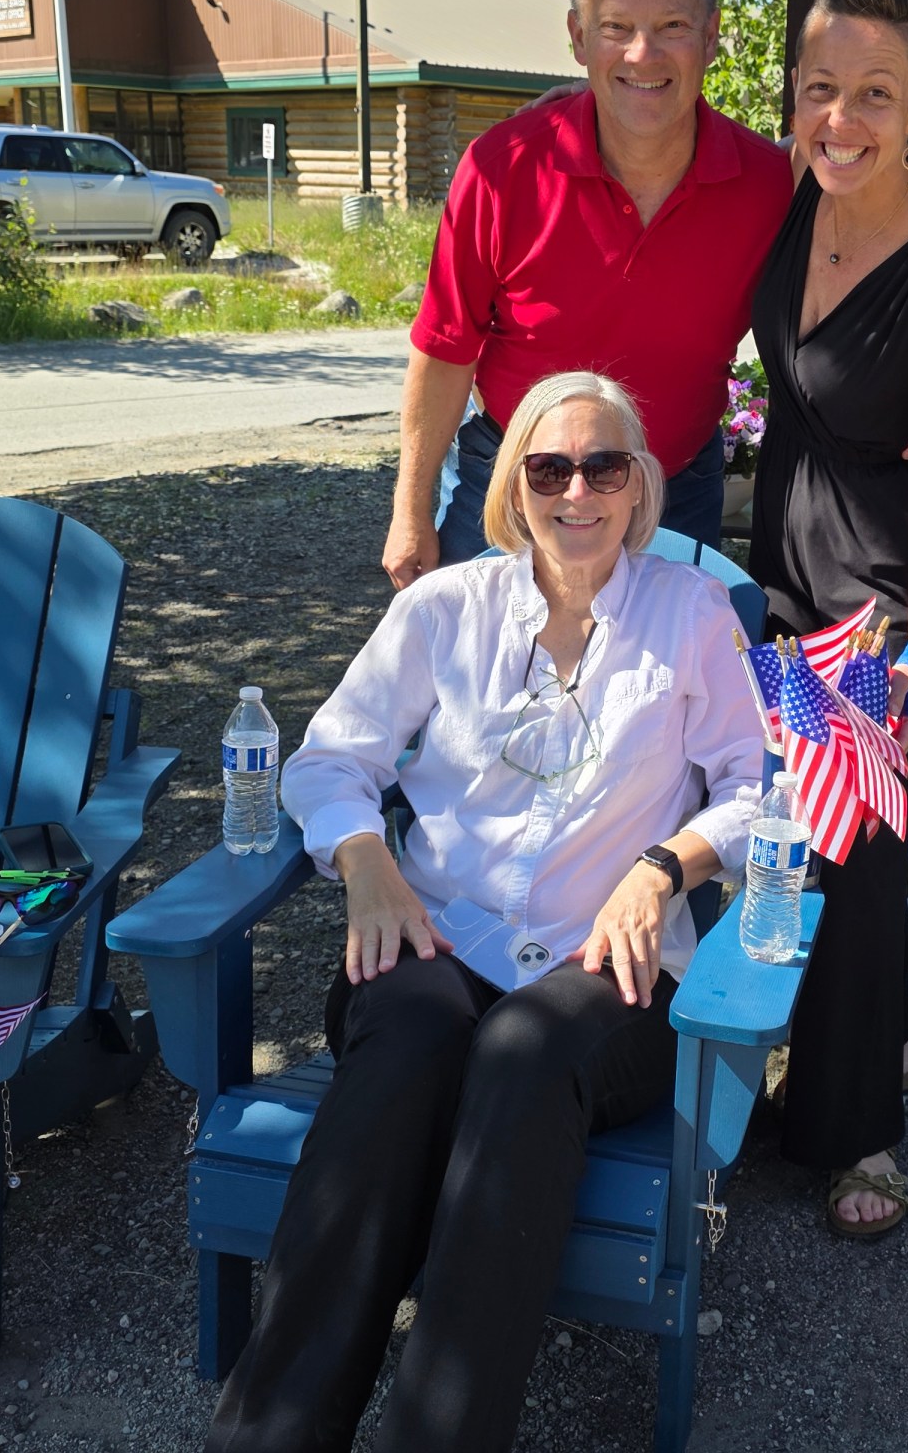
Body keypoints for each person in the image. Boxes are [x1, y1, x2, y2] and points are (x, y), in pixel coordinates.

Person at [210, 370, 764, 1453]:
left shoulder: (691, 616)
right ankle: (273, 1433)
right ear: (513, 487)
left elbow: (759, 786)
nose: (578, 493)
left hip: (612, 969)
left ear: (641, 486)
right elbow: (331, 760)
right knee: (410, 1038)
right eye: (550, 468)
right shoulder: (442, 610)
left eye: (604, 466)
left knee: (520, 1052)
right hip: (437, 933)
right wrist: (365, 857)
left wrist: (663, 868)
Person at [751, 0, 908, 1238]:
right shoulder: (797, 192)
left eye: (873, 95)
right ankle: (847, 1047)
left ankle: (862, 1138)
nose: (839, 119)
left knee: (852, 848)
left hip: (873, 591)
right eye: (819, 90)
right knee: (775, 829)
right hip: (772, 574)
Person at [383, 0, 793, 586]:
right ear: (578, 38)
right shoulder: (502, 169)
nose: (643, 53)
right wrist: (409, 508)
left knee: (660, 691)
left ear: (713, 36)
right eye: (616, 27)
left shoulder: (768, 187)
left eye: (673, 26)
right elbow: (445, 350)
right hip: (514, 483)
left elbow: (835, 308)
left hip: (670, 490)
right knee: (476, 687)